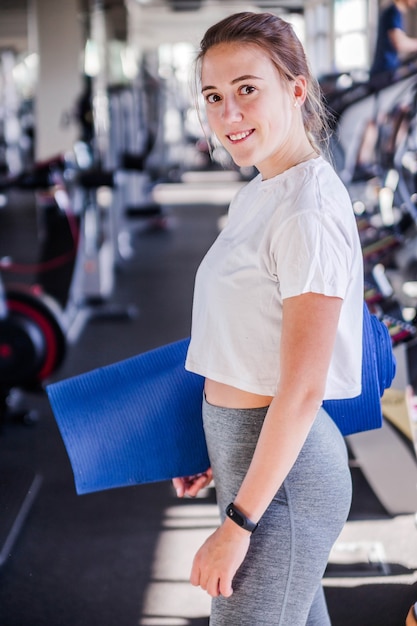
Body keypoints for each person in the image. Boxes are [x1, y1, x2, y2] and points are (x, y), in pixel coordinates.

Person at [172, 11, 364, 625]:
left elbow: (303, 388)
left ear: (297, 87)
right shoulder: (263, 188)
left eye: (247, 89)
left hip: (281, 485)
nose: (229, 114)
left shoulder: (305, 210)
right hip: (256, 464)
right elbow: (248, 337)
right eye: (214, 96)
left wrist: (237, 523)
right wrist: (217, 447)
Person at [370, 0, 417, 83]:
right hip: (384, 73)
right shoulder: (393, 12)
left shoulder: (395, 13)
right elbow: (399, 43)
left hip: (388, 71)